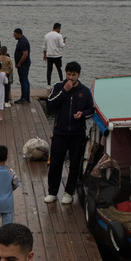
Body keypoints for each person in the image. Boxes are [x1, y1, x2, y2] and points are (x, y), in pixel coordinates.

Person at [45, 61, 94, 205]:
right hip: (60, 132)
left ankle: (68, 192)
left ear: (78, 75)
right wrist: (64, 91)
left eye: (74, 75)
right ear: (65, 73)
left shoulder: (84, 91)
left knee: (74, 164)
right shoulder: (59, 87)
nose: (71, 77)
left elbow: (91, 110)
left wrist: (82, 114)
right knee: (55, 163)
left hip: (77, 134)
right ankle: (52, 192)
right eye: (68, 74)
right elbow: (50, 103)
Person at [12, 28, 31, 103]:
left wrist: (19, 63)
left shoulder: (23, 42)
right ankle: (27, 97)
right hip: (23, 64)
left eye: (15, 34)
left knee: (23, 80)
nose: (14, 36)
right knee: (25, 79)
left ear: (19, 34)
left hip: (23, 64)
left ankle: (24, 97)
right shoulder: (22, 40)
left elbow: (25, 54)